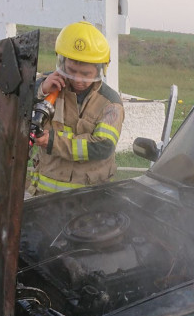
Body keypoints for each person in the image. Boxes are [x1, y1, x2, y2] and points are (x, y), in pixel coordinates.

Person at [29, 21, 124, 195]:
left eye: (86, 74)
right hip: (43, 196)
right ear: (62, 62)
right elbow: (11, 104)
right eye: (71, 70)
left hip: (89, 199)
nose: (77, 79)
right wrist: (40, 89)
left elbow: (102, 147)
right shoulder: (48, 84)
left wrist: (53, 142)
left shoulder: (111, 104)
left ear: (99, 70)